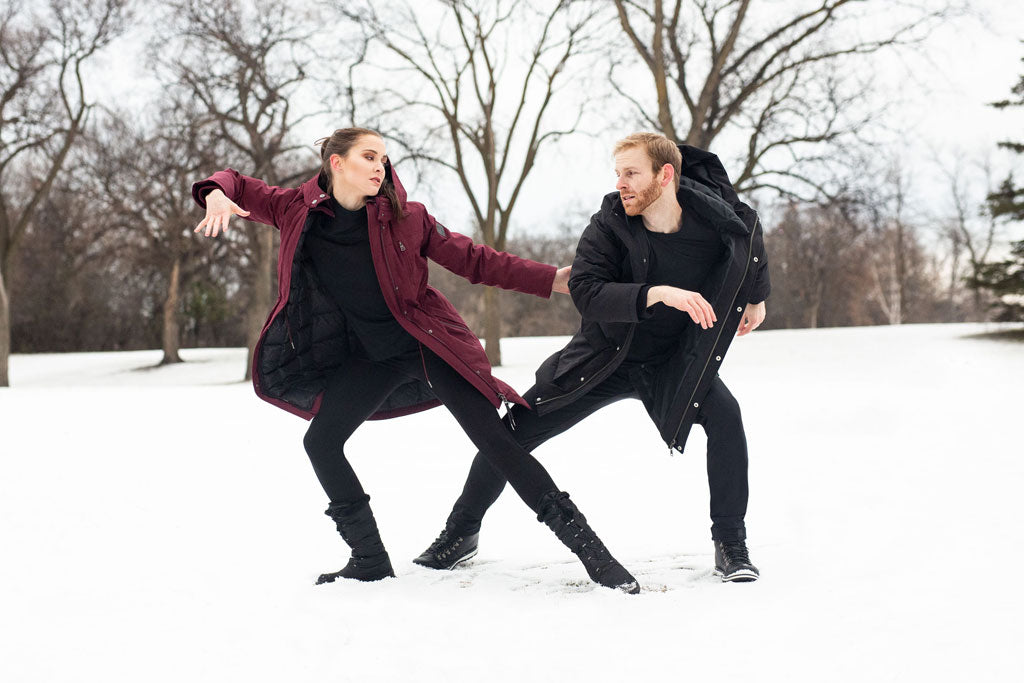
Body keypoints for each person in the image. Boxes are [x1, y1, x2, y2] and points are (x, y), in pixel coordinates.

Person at [190, 127, 640, 594]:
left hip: (428, 346)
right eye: (369, 156)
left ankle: (596, 556)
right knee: (321, 441)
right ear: (336, 163)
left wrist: (550, 280)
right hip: (369, 356)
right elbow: (237, 183)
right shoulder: (295, 210)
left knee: (499, 445)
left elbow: (475, 259)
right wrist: (217, 195)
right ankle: (369, 559)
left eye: (384, 157)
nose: (380, 166)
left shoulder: (406, 218)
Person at [414, 132, 770, 582]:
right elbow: (586, 291)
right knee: (510, 434)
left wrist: (758, 296)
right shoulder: (608, 225)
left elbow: (750, 244)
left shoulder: (717, 219)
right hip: (603, 358)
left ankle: (730, 544)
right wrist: (656, 293)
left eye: (631, 173)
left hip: (673, 362)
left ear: (665, 175)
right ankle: (460, 533)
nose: (621, 183)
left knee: (726, 418)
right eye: (617, 173)